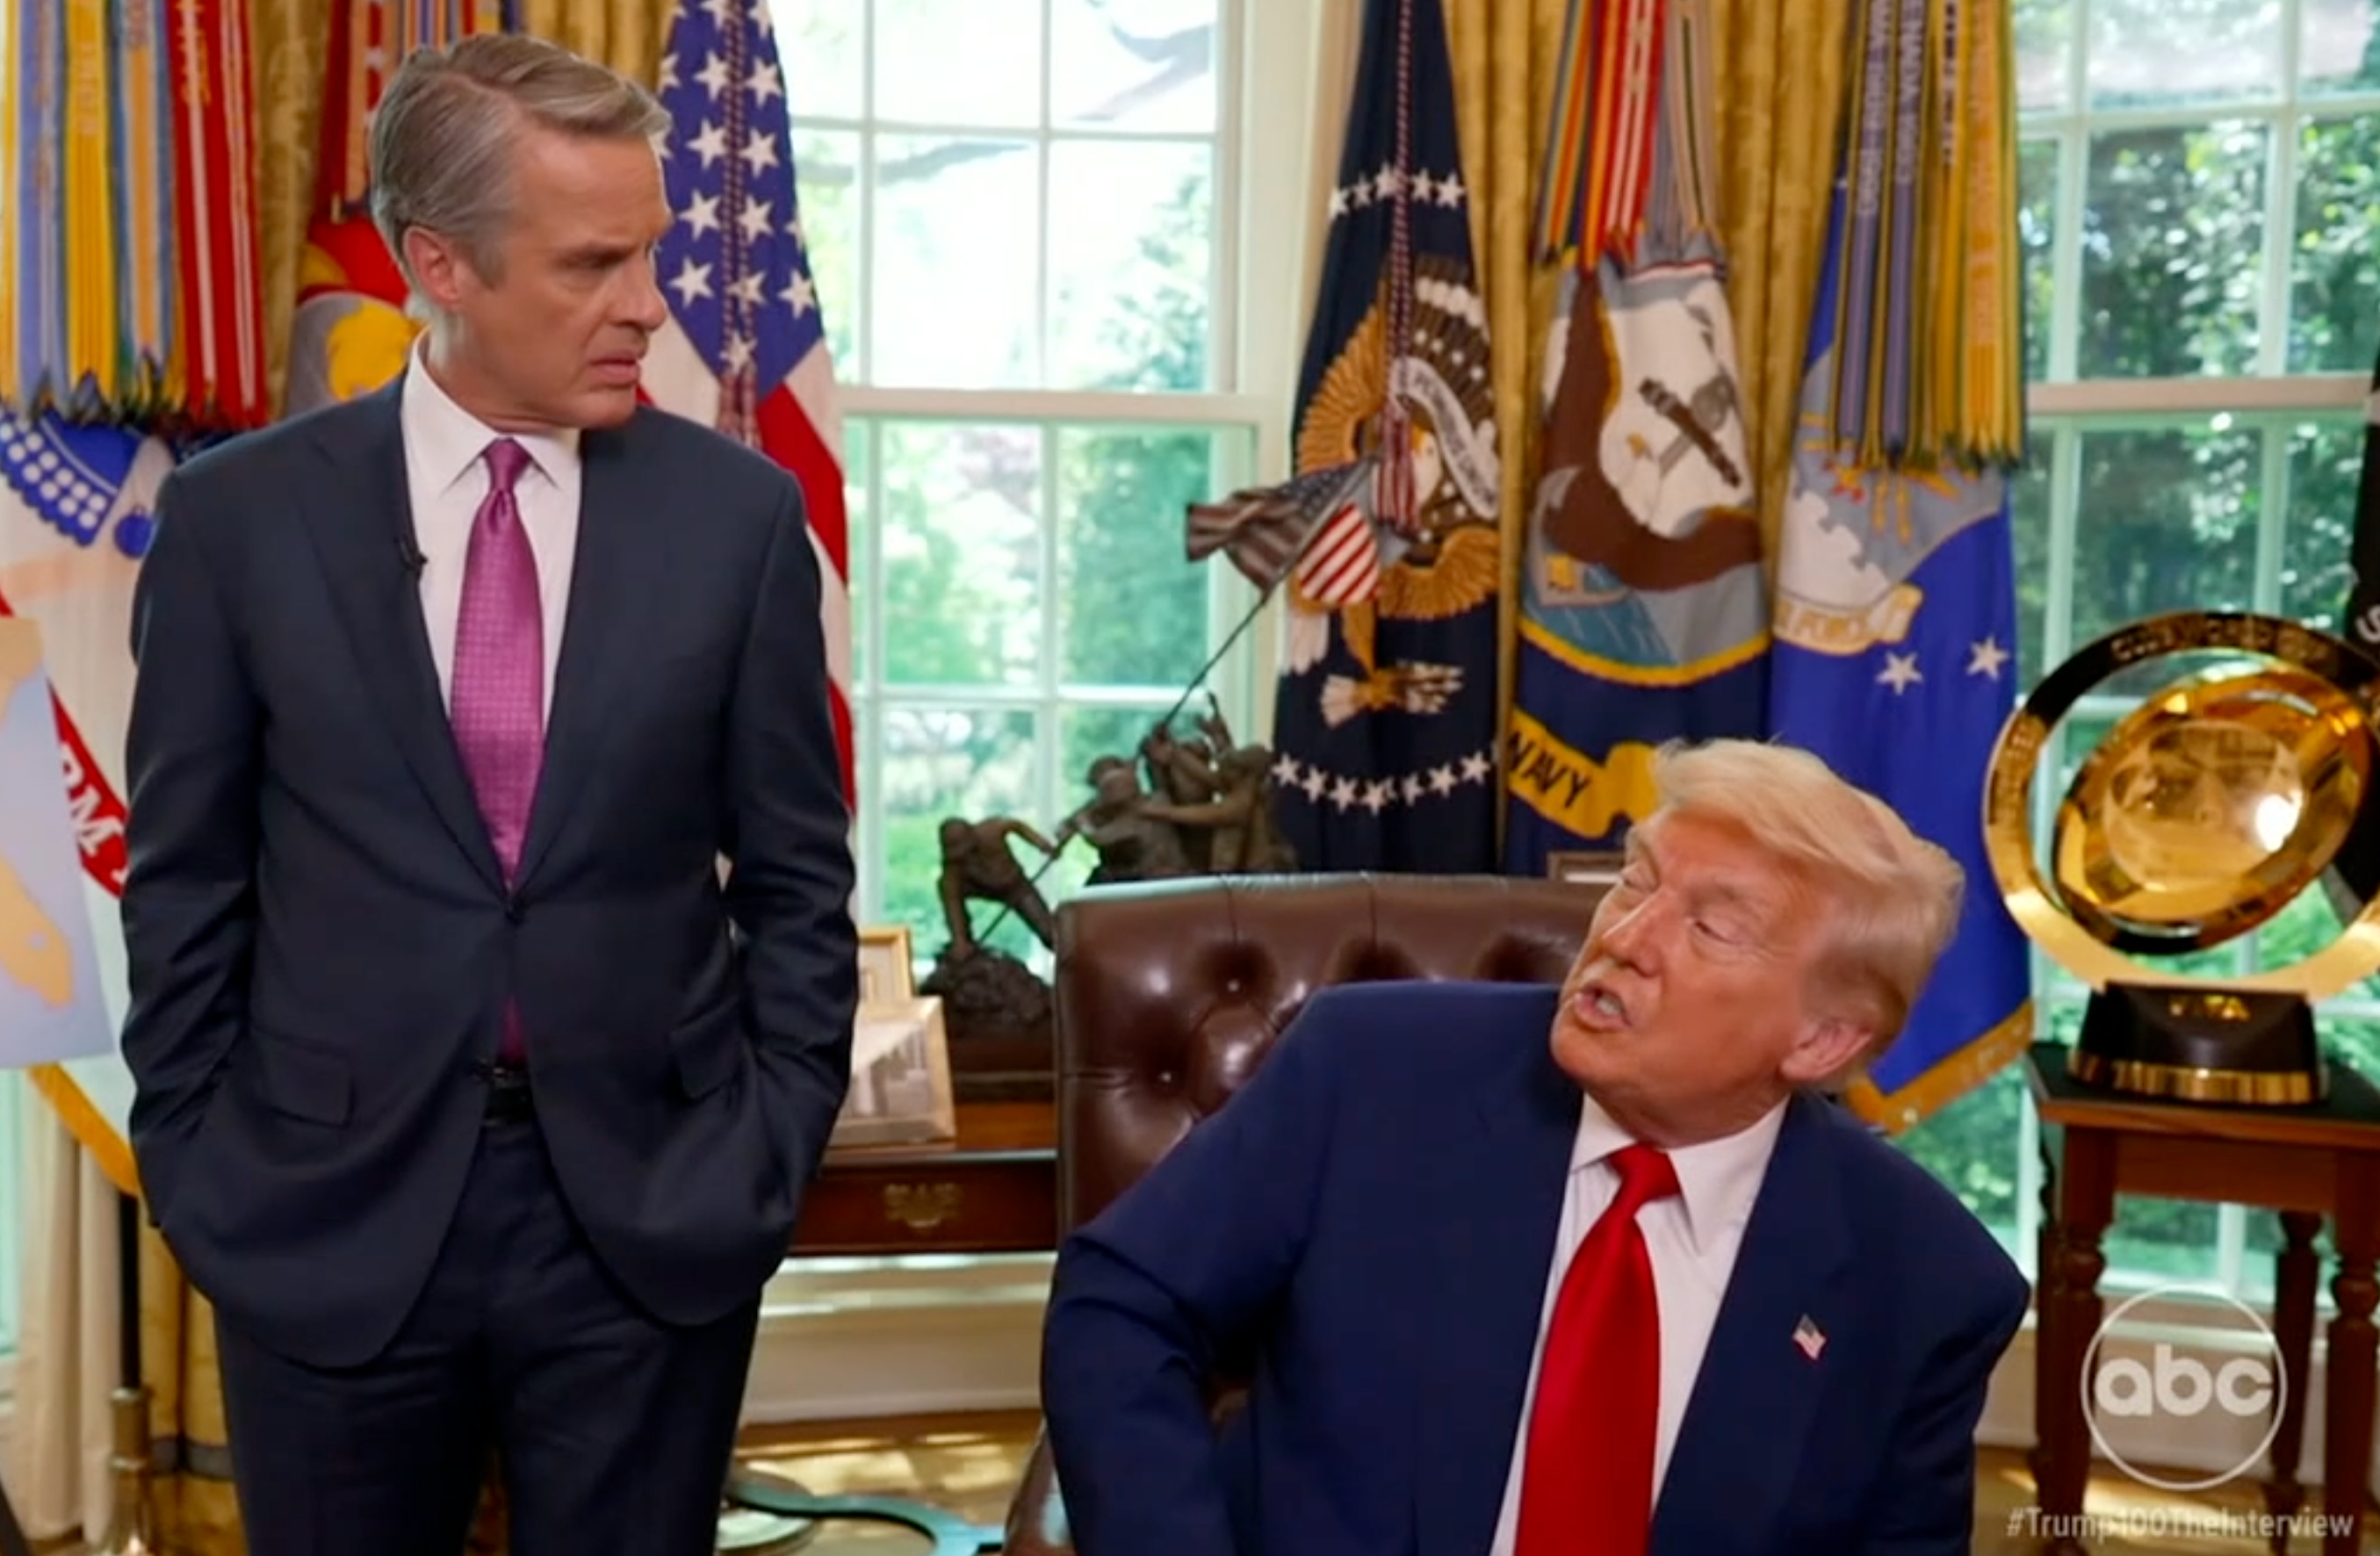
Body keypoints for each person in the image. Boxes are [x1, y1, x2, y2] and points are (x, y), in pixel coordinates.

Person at [113, 32, 856, 1556]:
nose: (646, 304)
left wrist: (766, 1147)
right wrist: (201, 1162)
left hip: (653, 1221)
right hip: (323, 1218)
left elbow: (799, 881)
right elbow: (184, 880)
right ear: (437, 264)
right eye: (593, 263)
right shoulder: (238, 523)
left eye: (648, 252)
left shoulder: (739, 522)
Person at [1038, 738, 2030, 1556]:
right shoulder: (1372, 1070)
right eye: (1635, 881)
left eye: (1711, 927)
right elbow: (1121, 1302)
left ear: (1820, 1041)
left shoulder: (1927, 1283)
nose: (1627, 936)